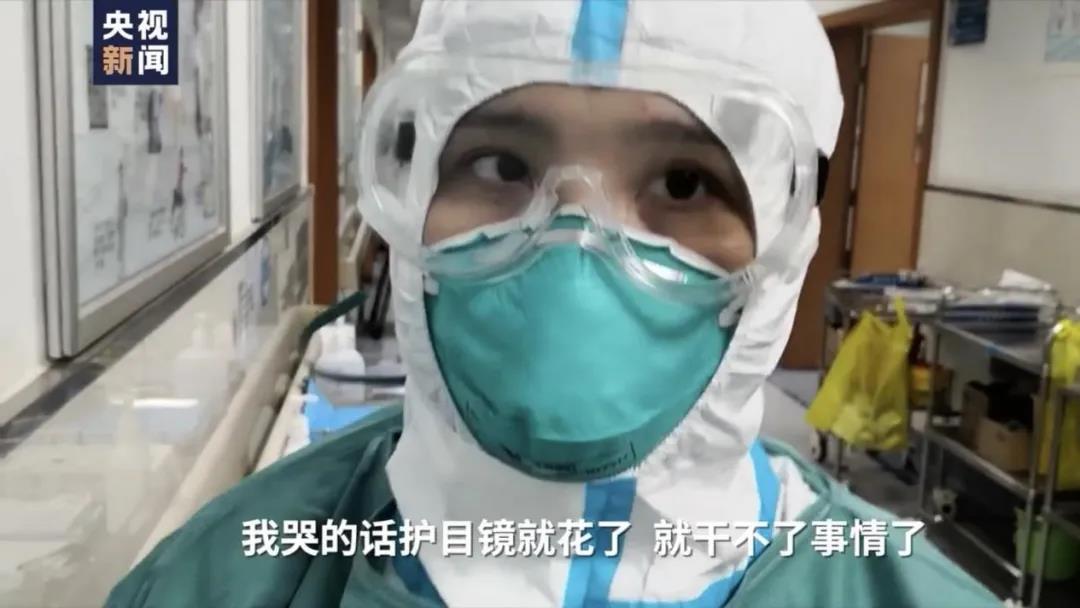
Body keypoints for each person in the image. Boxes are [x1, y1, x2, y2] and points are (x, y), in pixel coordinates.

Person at [107, 1, 1001, 606]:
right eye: (500, 166)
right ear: (411, 201)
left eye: (684, 183)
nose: (575, 256)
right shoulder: (220, 581)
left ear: (784, 243)